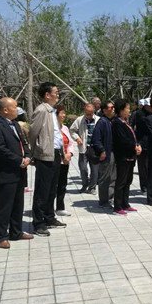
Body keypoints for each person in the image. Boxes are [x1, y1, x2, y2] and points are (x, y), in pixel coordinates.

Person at [0, 98, 34, 249]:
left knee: (18, 204)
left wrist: (28, 156)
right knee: (4, 206)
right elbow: (0, 149)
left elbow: (23, 143)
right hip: (6, 172)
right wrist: (19, 160)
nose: (17, 109)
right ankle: (0, 236)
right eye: (15, 107)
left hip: (19, 171)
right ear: (5, 110)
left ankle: (16, 231)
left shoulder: (15, 124)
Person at [29, 82, 66, 237]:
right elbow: (33, 133)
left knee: (52, 189)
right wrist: (35, 152)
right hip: (45, 155)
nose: (57, 95)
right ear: (47, 95)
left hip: (55, 154)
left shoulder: (52, 110)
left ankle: (49, 217)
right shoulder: (41, 110)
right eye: (55, 92)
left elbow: (56, 134)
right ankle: (38, 223)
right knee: (42, 190)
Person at [111, 99, 141, 215]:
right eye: (127, 108)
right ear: (121, 110)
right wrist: (134, 146)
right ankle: (117, 206)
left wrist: (137, 145)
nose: (129, 110)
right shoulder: (117, 123)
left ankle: (125, 203)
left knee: (128, 181)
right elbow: (122, 140)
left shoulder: (125, 122)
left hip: (130, 155)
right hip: (123, 156)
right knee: (121, 181)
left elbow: (132, 137)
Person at [69, 102, 99, 193]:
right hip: (84, 148)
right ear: (84, 111)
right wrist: (77, 138)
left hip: (95, 149)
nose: (89, 116)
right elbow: (72, 130)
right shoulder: (79, 119)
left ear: (94, 111)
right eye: (87, 113)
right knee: (83, 168)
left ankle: (92, 187)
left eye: (90, 113)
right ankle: (84, 184)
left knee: (94, 169)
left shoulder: (99, 120)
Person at [91, 100, 116, 209]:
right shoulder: (102, 122)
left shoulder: (115, 121)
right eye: (111, 107)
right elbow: (96, 139)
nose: (113, 109)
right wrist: (102, 151)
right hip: (107, 154)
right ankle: (104, 200)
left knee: (113, 177)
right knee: (105, 178)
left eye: (113, 107)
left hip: (115, 153)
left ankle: (110, 198)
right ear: (105, 110)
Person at [55, 105, 75, 217]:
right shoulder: (52, 128)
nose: (64, 115)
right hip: (55, 160)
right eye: (61, 113)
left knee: (62, 184)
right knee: (52, 185)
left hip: (65, 161)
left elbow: (71, 143)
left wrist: (69, 154)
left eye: (64, 113)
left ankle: (60, 207)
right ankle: (47, 208)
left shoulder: (65, 128)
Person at [132, 98, 152, 193]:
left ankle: (151, 185)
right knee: (143, 166)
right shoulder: (140, 114)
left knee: (151, 166)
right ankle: (144, 186)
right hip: (142, 143)